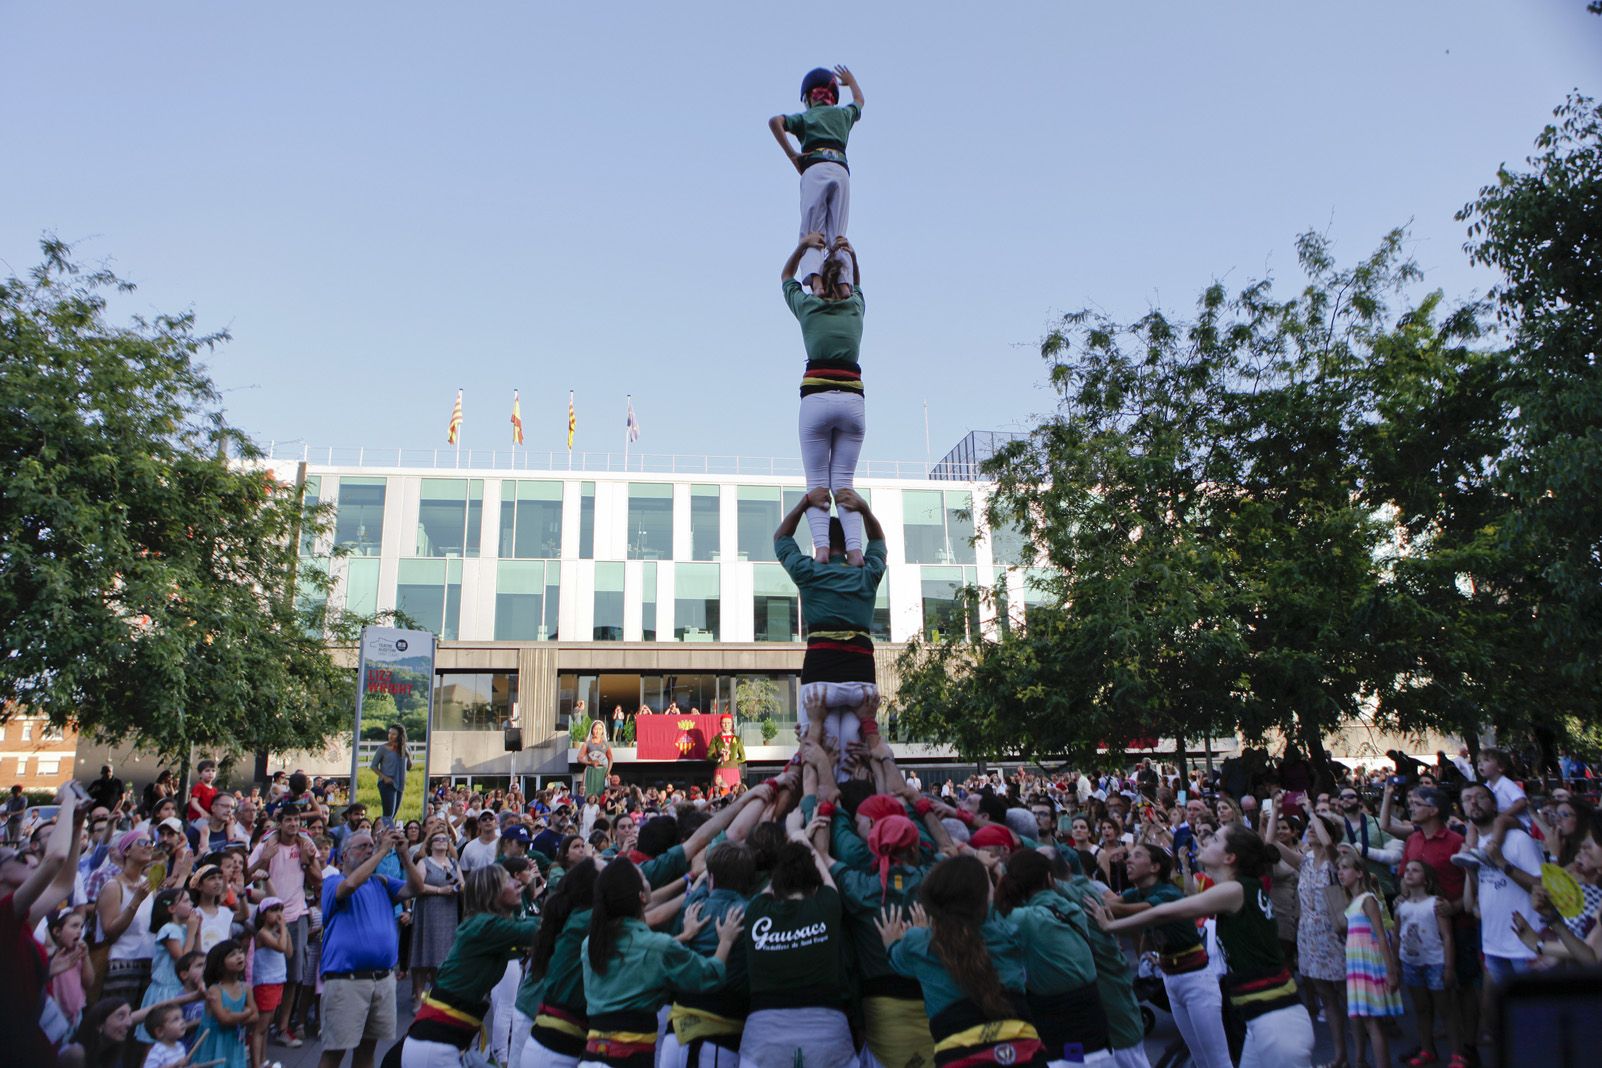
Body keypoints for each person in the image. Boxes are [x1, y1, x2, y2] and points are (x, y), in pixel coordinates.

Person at [1090, 825, 1314, 1068]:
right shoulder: (1241, 886)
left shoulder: (1235, 889)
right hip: (1262, 1017)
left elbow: (1165, 912)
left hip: (1277, 1022)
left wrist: (1110, 926)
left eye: (1215, 839)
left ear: (1230, 857)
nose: (1205, 842)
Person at [877, 854, 1047, 1067]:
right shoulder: (1008, 934)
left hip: (959, 1058)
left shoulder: (918, 944)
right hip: (1022, 1053)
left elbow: (897, 961)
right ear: (985, 897)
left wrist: (892, 943)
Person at [579, 857, 744, 1066]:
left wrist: (683, 936)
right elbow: (710, 975)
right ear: (642, 897)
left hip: (592, 1056)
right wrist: (726, 941)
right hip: (629, 1060)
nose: (648, 882)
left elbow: (637, 954)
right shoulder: (657, 947)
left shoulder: (590, 944)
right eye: (644, 878)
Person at [774, 488, 887, 776]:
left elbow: (781, 539)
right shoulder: (867, 572)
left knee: (818, 759)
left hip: (820, 674)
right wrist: (863, 508)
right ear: (852, 543)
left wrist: (804, 503)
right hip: (860, 675)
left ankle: (817, 811)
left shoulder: (810, 570)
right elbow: (878, 540)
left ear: (819, 543)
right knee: (853, 765)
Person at [399, 865, 542, 1067]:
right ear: (492, 892)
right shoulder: (484, 926)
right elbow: (536, 929)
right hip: (435, 1046)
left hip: (448, 1043)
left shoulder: (487, 925)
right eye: (509, 880)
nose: (519, 882)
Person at [780, 232, 867, 563]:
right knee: (843, 481)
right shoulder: (855, 308)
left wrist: (803, 247)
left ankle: (821, 549)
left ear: (817, 287)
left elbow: (787, 277)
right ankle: (855, 551)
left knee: (817, 482)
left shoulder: (808, 307)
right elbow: (856, 287)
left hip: (816, 399)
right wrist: (852, 259)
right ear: (845, 288)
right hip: (852, 402)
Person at [1104, 843, 1228, 1068]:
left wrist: (1098, 908)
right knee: (1198, 1056)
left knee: (1217, 1059)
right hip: (1171, 978)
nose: (1128, 860)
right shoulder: (1138, 892)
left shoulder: (1168, 893)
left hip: (1196, 980)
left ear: (1154, 867)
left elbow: (1134, 911)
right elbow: (1112, 904)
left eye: (1137, 856)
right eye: (1129, 856)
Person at [316, 827, 425, 1068]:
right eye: (362, 847)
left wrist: (405, 854)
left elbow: (417, 888)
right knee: (335, 1052)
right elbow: (350, 885)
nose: (369, 851)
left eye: (370, 846)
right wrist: (382, 850)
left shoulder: (381, 882)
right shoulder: (334, 880)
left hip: (382, 980)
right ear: (344, 855)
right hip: (347, 981)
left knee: (368, 1050)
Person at [997, 848, 1112, 1066]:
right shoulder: (1072, 910)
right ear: (1050, 879)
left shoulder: (1024, 919)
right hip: (1095, 1021)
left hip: (1059, 1029)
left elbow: (991, 917)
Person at [768, 65, 865, 292]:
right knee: (838, 235)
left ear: (808, 98)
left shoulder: (806, 117)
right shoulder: (843, 114)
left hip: (815, 167)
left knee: (812, 232)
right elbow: (860, 100)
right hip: (841, 169)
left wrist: (793, 155)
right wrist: (851, 81)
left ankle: (818, 284)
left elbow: (775, 122)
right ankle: (844, 286)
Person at [518, 857, 604, 1068]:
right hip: (548, 1047)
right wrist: (688, 879)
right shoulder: (584, 921)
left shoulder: (581, 917)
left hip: (551, 1044)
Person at [247, 808, 317, 1047]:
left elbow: (318, 878)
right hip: (269, 917)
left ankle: (283, 1027)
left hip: (297, 916)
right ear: (279, 823)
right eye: (288, 820)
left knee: (294, 976)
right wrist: (264, 858)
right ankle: (257, 1029)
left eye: (297, 820)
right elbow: (246, 876)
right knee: (263, 976)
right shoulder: (267, 844)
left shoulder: (305, 844)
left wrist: (309, 861)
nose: (293, 824)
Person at [1334, 848, 1402, 1067]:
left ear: (1360, 873)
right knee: (1367, 1020)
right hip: (1357, 963)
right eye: (1338, 869)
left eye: (1345, 868)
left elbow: (1382, 936)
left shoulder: (1367, 899)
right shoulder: (1352, 901)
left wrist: (1391, 971)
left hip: (1370, 963)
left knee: (1373, 1022)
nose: (1340, 873)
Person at [1396, 858, 1460, 1067]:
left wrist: (1449, 966)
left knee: (1445, 1009)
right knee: (1421, 1008)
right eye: (1408, 870)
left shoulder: (1435, 903)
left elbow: (1447, 936)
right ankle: (1427, 1049)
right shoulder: (1401, 906)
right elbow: (1398, 934)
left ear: (1426, 879)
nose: (1410, 873)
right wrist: (1397, 963)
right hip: (1411, 962)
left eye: (1416, 870)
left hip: (1435, 961)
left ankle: (1457, 1053)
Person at [408, 829, 463, 1009]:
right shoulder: (424, 862)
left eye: (444, 839)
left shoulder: (454, 863)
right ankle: (418, 997)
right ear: (430, 844)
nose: (441, 842)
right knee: (424, 955)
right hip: (429, 912)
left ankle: (437, 997)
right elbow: (417, 885)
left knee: (443, 957)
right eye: (437, 839)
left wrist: (458, 888)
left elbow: (462, 883)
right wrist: (439, 890)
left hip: (448, 913)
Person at [193, 939, 252, 1068]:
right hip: (214, 1043)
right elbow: (224, 1019)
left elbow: (255, 1016)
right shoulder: (215, 990)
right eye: (232, 955)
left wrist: (235, 1016)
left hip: (234, 1042)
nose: (239, 956)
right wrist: (246, 1013)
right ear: (220, 964)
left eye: (240, 952)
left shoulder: (246, 988)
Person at [250, 899, 291, 1068]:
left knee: (266, 1026)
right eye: (274, 911)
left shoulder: (276, 933)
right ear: (263, 915)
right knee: (260, 1027)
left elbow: (289, 952)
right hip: (265, 982)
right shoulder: (262, 933)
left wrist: (284, 931)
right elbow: (281, 948)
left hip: (276, 981)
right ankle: (256, 1064)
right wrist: (283, 929)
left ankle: (263, 1060)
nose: (278, 915)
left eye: (280, 910)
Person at [371, 724, 413, 826]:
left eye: (394, 734)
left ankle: (383, 833)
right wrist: (384, 777)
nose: (390, 736)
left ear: (400, 736)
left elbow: (409, 767)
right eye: (389, 733)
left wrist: (407, 754)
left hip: (400, 784)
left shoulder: (406, 748)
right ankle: (385, 836)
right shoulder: (383, 748)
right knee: (388, 815)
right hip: (387, 784)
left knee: (393, 815)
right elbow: (373, 766)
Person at [581, 722, 613, 799]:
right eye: (595, 729)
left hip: (602, 771)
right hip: (590, 771)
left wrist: (608, 771)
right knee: (588, 793)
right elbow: (580, 758)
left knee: (602, 793)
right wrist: (590, 762)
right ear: (592, 730)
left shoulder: (606, 744)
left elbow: (610, 758)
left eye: (600, 729)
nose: (597, 731)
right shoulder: (587, 743)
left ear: (602, 731)